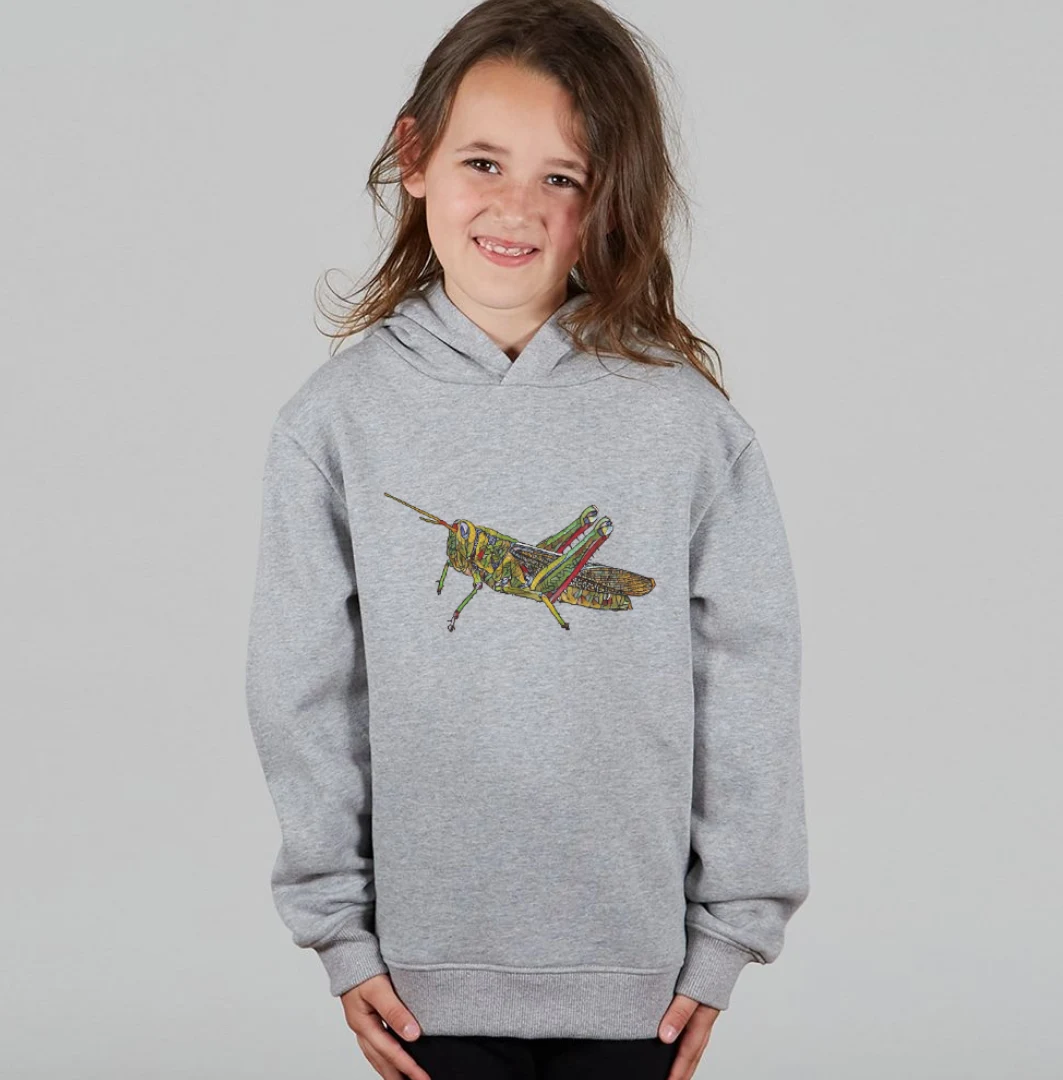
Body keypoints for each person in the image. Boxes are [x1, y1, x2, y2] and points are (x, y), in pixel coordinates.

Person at [244, 1, 810, 1078]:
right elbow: (300, 685)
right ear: (415, 156)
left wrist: (729, 933)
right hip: (423, 969)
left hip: (637, 971)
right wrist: (338, 930)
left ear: (612, 198)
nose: (517, 206)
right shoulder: (334, 421)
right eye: (484, 162)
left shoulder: (684, 422)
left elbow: (750, 671)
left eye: (563, 176)